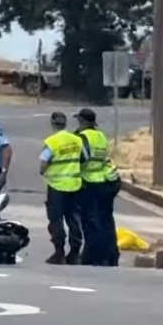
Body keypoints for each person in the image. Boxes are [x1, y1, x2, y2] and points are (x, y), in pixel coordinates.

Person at [39, 112, 87, 265]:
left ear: (53, 123)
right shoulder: (77, 140)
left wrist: (45, 172)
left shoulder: (52, 141)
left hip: (56, 186)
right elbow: (84, 159)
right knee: (74, 219)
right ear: (65, 124)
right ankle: (74, 253)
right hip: (74, 185)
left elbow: (43, 163)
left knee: (56, 219)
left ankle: (59, 251)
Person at [73, 108, 109, 266]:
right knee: (99, 220)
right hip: (101, 180)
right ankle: (101, 253)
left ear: (83, 122)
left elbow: (82, 157)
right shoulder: (101, 136)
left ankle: (90, 255)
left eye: (79, 121)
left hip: (87, 180)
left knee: (89, 221)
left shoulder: (83, 137)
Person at [101, 157, 122, 266]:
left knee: (95, 220)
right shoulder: (99, 140)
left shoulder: (83, 140)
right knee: (106, 219)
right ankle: (112, 255)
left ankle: (101, 255)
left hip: (99, 181)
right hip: (112, 179)